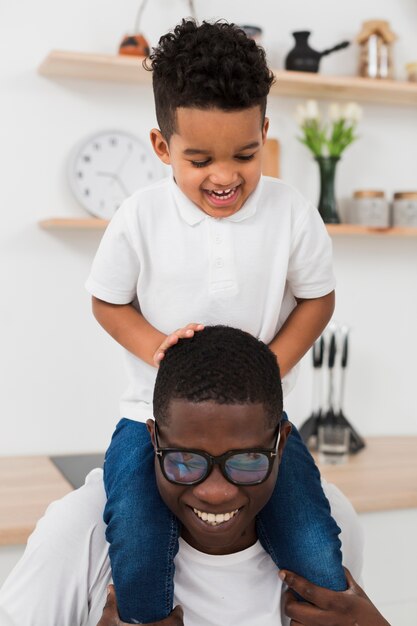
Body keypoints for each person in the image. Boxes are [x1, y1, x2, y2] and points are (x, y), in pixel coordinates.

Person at [85, 18, 340, 624]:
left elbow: (318, 299)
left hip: (262, 424)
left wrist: (269, 367)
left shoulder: (292, 213)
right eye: (199, 160)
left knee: (318, 555)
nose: (225, 177)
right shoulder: (139, 215)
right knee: (140, 549)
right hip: (148, 416)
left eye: (245, 156)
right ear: (161, 146)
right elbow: (107, 300)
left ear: (265, 134)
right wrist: (156, 349)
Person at [0, 327, 389, 626]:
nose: (216, 493)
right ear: (152, 439)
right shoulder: (80, 531)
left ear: (281, 446)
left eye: (247, 461)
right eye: (186, 462)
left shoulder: (330, 523)